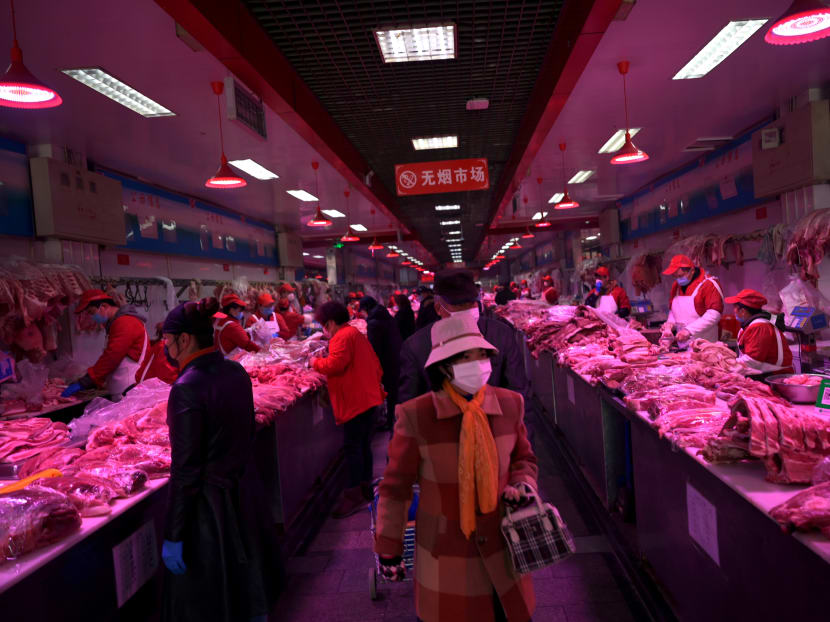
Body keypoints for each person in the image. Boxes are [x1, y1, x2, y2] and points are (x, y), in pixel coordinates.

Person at [375, 315, 538, 622]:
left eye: (482, 355)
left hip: (505, 552)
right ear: (444, 366)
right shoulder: (416, 416)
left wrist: (523, 484)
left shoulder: (509, 405)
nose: (477, 365)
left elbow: (523, 459)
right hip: (447, 556)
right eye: (465, 357)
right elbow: (395, 488)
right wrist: (389, 548)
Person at [160, 298, 279, 622]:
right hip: (245, 494)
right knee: (248, 591)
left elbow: (185, 471)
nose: (167, 350)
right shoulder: (235, 370)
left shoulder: (185, 388)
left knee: (219, 601)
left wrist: (173, 534)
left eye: (168, 342)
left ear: (184, 340)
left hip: (211, 512)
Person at [399, 269, 531, 410]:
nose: (467, 309)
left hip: (496, 427)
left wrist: (522, 430)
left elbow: (519, 393)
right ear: (438, 308)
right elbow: (407, 408)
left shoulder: (501, 334)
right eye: (459, 305)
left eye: (471, 303)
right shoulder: (416, 346)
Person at [311, 301, 385, 518]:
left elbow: (335, 365)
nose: (325, 329)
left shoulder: (342, 336)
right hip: (367, 396)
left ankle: (353, 497)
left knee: (353, 448)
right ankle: (366, 489)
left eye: (324, 325)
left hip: (356, 400)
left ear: (331, 322)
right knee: (363, 445)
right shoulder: (353, 333)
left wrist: (314, 361)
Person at [63, 289, 152, 400]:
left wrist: (87, 380)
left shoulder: (125, 322)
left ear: (104, 306)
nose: (91, 317)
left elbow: (112, 356)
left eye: (91, 312)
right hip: (123, 388)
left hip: (130, 389)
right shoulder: (116, 324)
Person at [725, 289, 793, 375]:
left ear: (742, 311)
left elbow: (752, 360)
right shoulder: (751, 324)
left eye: (735, 307)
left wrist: (726, 364)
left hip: (776, 376)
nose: (733, 311)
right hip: (763, 373)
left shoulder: (760, 327)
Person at [359, 296, 402, 430]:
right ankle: (392, 420)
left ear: (366, 308)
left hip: (386, 362)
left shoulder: (373, 323)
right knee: (393, 392)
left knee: (388, 392)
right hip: (395, 357)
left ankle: (390, 423)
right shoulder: (386, 316)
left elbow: (374, 348)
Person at [661, 254, 724, 345]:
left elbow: (714, 314)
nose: (678, 279)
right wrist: (670, 324)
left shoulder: (708, 284)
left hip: (705, 345)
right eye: (675, 276)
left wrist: (689, 330)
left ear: (692, 271)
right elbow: (673, 311)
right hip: (682, 345)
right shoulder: (676, 286)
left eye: (680, 276)